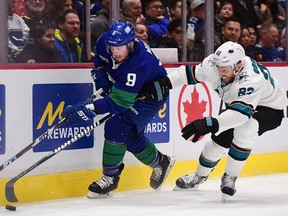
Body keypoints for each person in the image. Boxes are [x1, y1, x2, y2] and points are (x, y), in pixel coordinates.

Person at [141, 41, 287, 201]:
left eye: (224, 70)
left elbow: (241, 115)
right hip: (240, 105)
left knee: (247, 128)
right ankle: (199, 176)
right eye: (218, 68)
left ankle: (230, 177)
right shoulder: (214, 65)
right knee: (218, 142)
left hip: (270, 108)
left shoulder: (251, 80)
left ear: (238, 66)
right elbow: (188, 74)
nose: (219, 73)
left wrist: (208, 123)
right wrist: (165, 84)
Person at [61, 20, 175, 198]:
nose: (115, 52)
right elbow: (100, 59)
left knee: (117, 125)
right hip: (130, 90)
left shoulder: (139, 63)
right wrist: (100, 74)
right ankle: (160, 162)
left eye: (120, 48)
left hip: (150, 98)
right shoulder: (104, 42)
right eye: (112, 47)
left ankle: (110, 177)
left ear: (131, 43)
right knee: (128, 136)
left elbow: (119, 103)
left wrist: (87, 110)